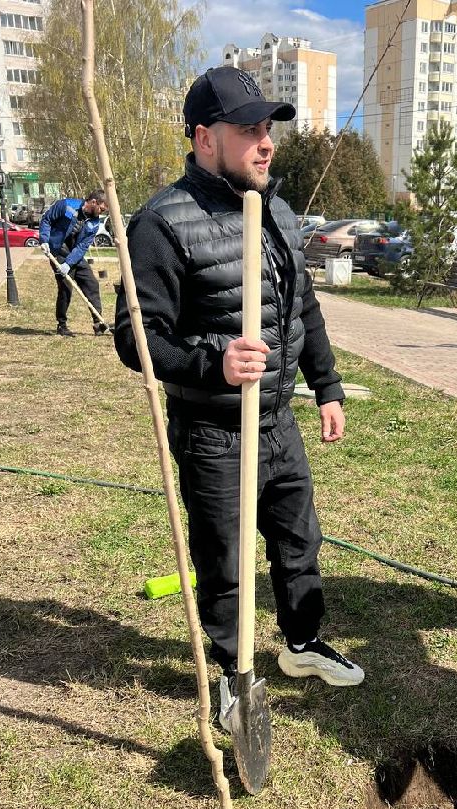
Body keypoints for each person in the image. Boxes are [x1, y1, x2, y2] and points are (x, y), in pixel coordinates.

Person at [113, 66, 364, 719]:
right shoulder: (161, 224)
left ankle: (301, 641)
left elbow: (302, 309)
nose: (266, 142)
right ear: (203, 138)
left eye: (268, 128)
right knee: (223, 556)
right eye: (248, 129)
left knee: (296, 537)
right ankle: (232, 670)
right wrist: (212, 362)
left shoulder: (274, 207)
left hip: (277, 419)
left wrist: (327, 387)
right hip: (213, 430)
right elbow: (136, 338)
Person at [39, 189, 109, 336]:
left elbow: (82, 246)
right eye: (101, 209)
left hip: (74, 254)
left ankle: (98, 323)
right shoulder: (66, 205)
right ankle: (62, 325)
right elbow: (46, 220)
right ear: (93, 202)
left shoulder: (94, 223)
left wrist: (69, 263)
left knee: (91, 283)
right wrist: (44, 240)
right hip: (58, 251)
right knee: (66, 288)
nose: (102, 212)